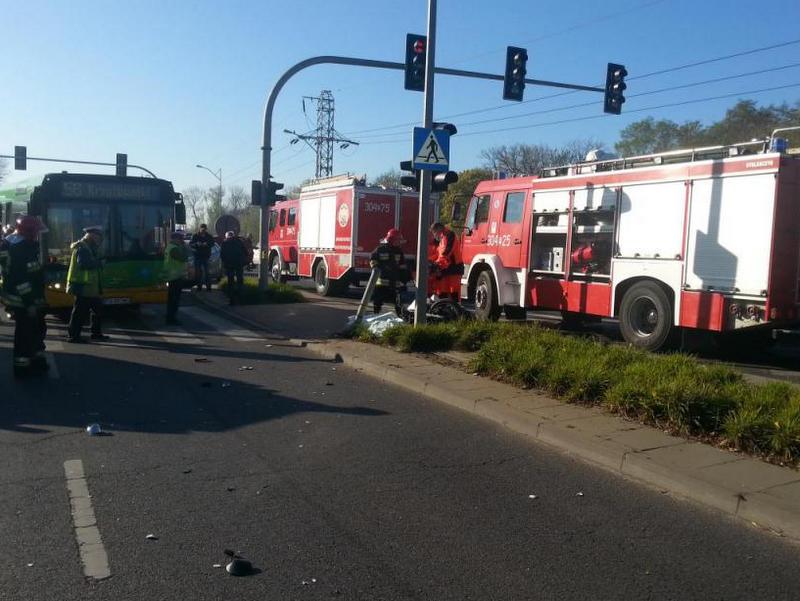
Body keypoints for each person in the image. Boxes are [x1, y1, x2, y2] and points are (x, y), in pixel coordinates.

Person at [0, 216, 48, 376]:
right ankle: (22, 367)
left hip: (28, 297)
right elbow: (21, 281)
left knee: (37, 328)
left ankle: (36, 358)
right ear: (30, 231)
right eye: (36, 232)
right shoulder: (21, 248)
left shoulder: (17, 244)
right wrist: (30, 304)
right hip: (24, 299)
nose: (37, 235)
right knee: (25, 332)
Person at [66, 226, 109, 343]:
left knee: (97, 311)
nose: (99, 238)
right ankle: (73, 336)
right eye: (97, 236)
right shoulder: (83, 247)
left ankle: (96, 334)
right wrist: (99, 263)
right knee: (79, 313)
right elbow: (83, 264)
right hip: (83, 286)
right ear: (91, 235)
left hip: (91, 287)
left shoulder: (90, 247)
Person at [369, 228, 409, 314]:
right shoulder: (380, 249)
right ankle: (376, 316)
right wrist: (375, 267)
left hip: (395, 282)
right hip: (381, 283)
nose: (398, 242)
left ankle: (400, 318)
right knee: (377, 303)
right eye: (397, 240)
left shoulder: (399, 251)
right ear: (391, 239)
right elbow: (373, 260)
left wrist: (405, 277)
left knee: (398, 304)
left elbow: (402, 265)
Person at [429, 222, 464, 301]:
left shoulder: (449, 235)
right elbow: (439, 253)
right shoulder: (443, 237)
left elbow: (447, 252)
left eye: (434, 232)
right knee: (442, 290)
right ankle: (444, 309)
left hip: (454, 268)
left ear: (438, 229)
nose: (434, 235)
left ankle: (456, 311)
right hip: (446, 267)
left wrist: (437, 263)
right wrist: (430, 260)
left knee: (453, 292)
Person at [164, 231, 189, 324]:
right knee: (174, 300)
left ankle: (170, 317)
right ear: (175, 239)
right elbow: (184, 258)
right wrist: (184, 247)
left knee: (172, 299)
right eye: (180, 239)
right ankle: (171, 318)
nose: (181, 241)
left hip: (171, 276)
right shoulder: (174, 249)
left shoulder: (169, 247)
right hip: (175, 277)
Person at [220, 231, 246, 305]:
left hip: (230, 265)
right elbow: (245, 251)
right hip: (238, 264)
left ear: (226, 236)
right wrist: (244, 261)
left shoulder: (224, 243)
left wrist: (225, 264)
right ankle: (241, 300)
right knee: (240, 281)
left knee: (231, 283)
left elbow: (222, 255)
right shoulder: (239, 242)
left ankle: (232, 301)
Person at [189, 223, 215, 291]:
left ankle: (208, 287)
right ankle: (199, 287)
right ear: (200, 229)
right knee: (198, 273)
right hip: (197, 256)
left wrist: (207, 244)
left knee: (207, 273)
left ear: (206, 229)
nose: (203, 231)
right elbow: (191, 244)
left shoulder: (209, 236)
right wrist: (197, 244)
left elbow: (212, 243)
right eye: (202, 229)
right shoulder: (195, 236)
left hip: (206, 256)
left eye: (204, 229)